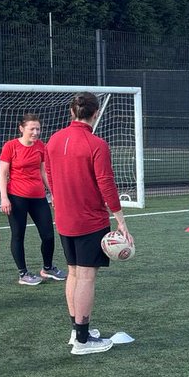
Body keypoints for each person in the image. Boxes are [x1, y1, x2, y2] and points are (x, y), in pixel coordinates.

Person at [46, 92, 128, 355]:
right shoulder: (96, 144)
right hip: (89, 219)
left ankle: (76, 331)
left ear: (72, 112)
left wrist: (59, 200)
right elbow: (106, 183)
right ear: (95, 114)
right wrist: (120, 220)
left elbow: (48, 174)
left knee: (73, 272)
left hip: (65, 218)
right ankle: (82, 339)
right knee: (86, 276)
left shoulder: (54, 140)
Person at [0, 113, 65, 287]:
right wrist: (4, 198)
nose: (35, 132)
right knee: (18, 235)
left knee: (48, 235)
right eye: (32, 129)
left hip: (38, 197)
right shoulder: (10, 146)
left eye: (38, 128)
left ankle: (48, 268)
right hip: (16, 197)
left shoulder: (41, 146)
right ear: (21, 128)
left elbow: (43, 172)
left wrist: (53, 193)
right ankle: (23, 273)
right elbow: (3, 175)